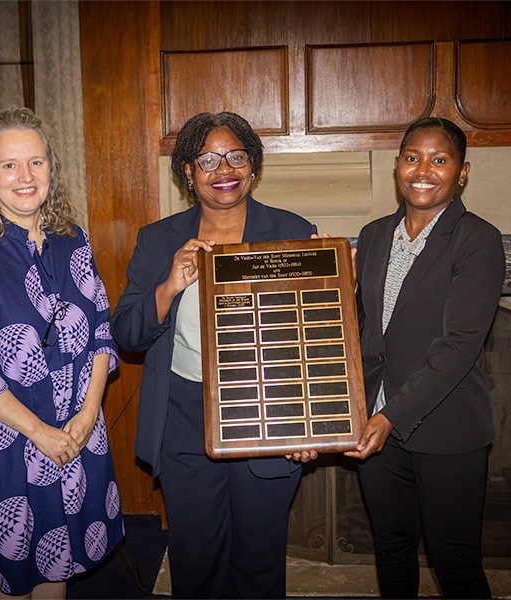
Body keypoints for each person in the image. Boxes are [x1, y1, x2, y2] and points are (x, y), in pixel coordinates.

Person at [111, 111, 317, 598]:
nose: (224, 169)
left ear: (252, 166)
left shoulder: (293, 231)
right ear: (188, 171)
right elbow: (126, 334)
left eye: (236, 157)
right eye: (208, 160)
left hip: (269, 414)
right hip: (185, 414)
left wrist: (309, 423)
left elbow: (317, 338)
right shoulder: (158, 239)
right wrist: (169, 286)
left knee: (259, 560)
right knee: (195, 558)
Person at [0, 107, 123, 599]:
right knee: (14, 575)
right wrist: (41, 434)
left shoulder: (72, 239)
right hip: (7, 438)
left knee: (56, 563)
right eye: (9, 165)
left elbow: (101, 331)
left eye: (36, 163)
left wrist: (87, 414)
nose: (25, 176)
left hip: (75, 428)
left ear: (50, 171)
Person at [346, 117, 505, 598]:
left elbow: (459, 347)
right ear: (397, 165)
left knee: (453, 559)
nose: (423, 170)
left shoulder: (477, 239)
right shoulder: (373, 235)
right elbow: (360, 328)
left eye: (440, 160)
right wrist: (327, 277)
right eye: (412, 157)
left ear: (462, 173)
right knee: (391, 548)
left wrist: (391, 416)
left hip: (447, 426)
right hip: (375, 422)